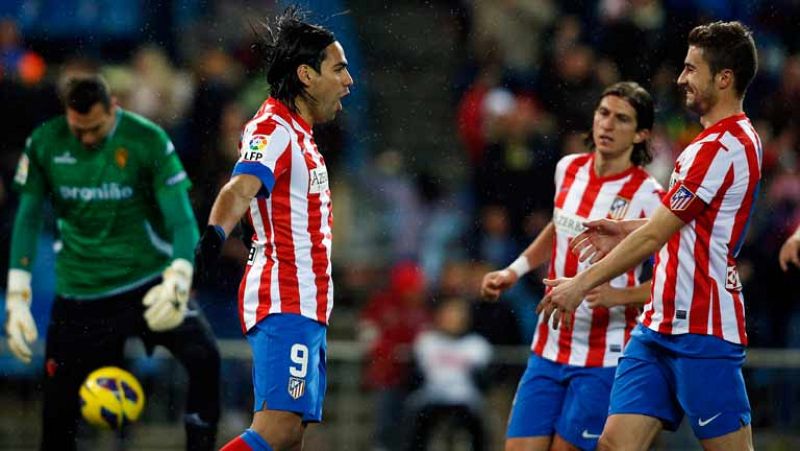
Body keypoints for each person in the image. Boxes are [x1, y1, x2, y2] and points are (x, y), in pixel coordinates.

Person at [540, 21, 761, 450]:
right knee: (611, 446)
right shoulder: (711, 143)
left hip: (703, 327)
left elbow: (657, 235)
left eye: (691, 69)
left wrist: (579, 286)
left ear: (724, 78)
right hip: (656, 327)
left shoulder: (723, 146)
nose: (681, 79)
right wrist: (625, 226)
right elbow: (684, 222)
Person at [4, 74, 220, 450]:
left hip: (147, 282)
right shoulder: (45, 143)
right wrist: (18, 294)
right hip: (80, 293)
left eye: (95, 128)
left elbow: (182, 219)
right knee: (56, 414)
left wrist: (180, 275)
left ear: (113, 108)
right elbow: (28, 217)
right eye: (78, 129)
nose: (86, 138)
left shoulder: (146, 139)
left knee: (206, 357)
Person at [193, 6, 353, 451]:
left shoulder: (302, 135)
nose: (348, 80)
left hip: (309, 303)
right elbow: (240, 188)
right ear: (306, 74)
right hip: (285, 297)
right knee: (276, 430)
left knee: (290, 437)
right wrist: (214, 235)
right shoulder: (273, 127)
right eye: (338, 69)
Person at [480, 81, 663, 451]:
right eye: (603, 113)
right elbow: (558, 225)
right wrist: (513, 270)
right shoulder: (568, 168)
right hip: (548, 346)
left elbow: (672, 280)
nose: (608, 125)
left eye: (622, 119)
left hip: (604, 355)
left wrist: (619, 295)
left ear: (641, 133)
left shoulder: (651, 196)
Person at [406, 297, 491, 451]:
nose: (453, 319)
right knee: (419, 424)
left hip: (464, 401)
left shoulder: (476, 345)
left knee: (476, 428)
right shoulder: (427, 341)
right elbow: (414, 376)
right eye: (449, 314)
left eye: (458, 314)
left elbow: (484, 382)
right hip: (432, 398)